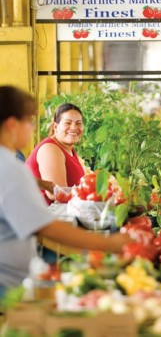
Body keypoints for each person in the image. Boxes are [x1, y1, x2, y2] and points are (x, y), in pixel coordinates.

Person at [0, 86, 132, 298]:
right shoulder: (10, 168)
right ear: (12, 125)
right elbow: (45, 226)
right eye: (29, 122)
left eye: (78, 123)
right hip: (6, 283)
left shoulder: (7, 164)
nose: (32, 128)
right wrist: (107, 244)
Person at [26, 103, 85, 204]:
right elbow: (58, 194)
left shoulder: (68, 148)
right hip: (41, 215)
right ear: (56, 126)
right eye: (68, 123)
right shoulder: (50, 149)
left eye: (78, 123)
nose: (74, 127)